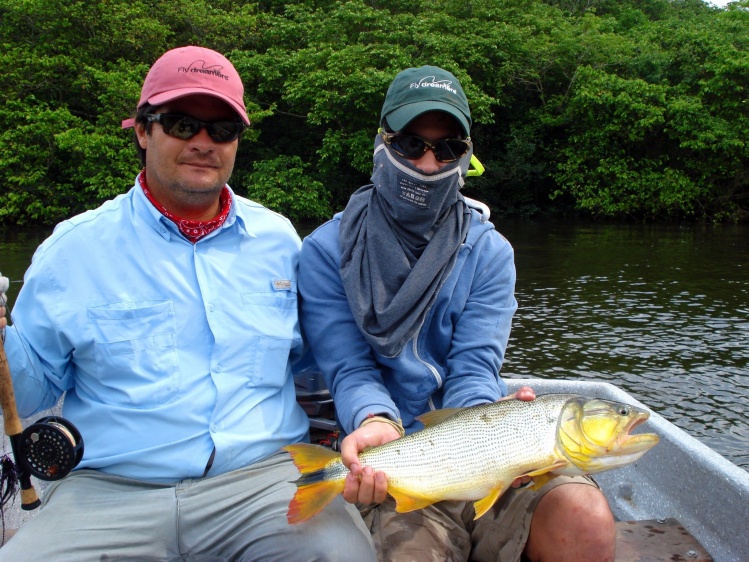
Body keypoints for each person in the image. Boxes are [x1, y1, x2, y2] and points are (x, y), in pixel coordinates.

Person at [0, 45, 374, 561]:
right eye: (181, 123)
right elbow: (30, 391)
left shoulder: (280, 239)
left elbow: (322, 356)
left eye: (221, 129)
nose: (203, 142)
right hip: (108, 490)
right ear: (142, 130)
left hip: (263, 481)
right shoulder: (72, 249)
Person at [298, 66, 616, 561]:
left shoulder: (490, 253)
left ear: (465, 157)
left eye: (447, 148)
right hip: (393, 453)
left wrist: (498, 424)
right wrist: (375, 419)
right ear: (382, 144)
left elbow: (474, 368)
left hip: (473, 444)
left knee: (585, 517)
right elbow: (350, 368)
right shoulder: (324, 251)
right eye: (410, 144)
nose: (428, 163)